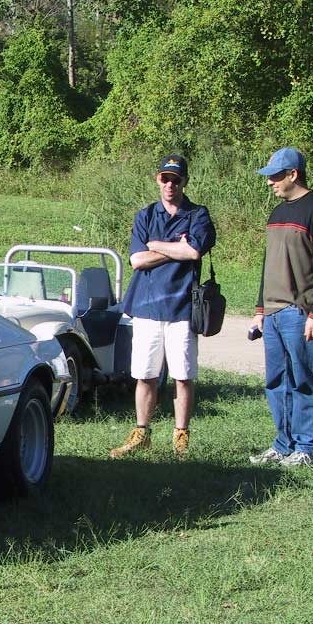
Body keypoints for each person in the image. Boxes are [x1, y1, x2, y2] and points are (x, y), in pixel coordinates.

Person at [111, 154, 216, 458]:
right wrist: (175, 248)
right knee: (145, 374)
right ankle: (141, 433)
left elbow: (194, 252)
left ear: (185, 181)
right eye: (165, 178)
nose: (170, 184)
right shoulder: (145, 215)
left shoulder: (198, 214)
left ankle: (181, 436)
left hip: (183, 308)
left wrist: (155, 245)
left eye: (176, 179)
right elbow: (136, 260)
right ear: (158, 180)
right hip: (146, 306)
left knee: (183, 375)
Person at [248, 148, 313, 468]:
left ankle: (307, 448)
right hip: (273, 312)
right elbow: (268, 264)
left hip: (300, 312)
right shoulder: (276, 213)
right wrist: (260, 308)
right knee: (277, 382)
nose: (269, 182)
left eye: (275, 176)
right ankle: (283, 444)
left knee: (307, 381)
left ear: (293, 174)